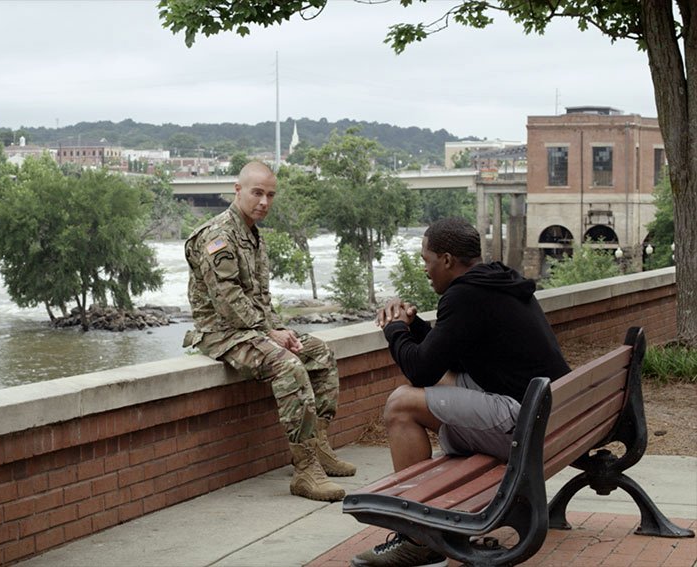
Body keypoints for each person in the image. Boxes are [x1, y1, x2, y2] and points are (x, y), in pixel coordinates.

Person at [351, 217, 571, 567]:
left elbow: (420, 369)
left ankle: (420, 537)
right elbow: (446, 351)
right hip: (558, 420)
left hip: (528, 430)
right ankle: (434, 521)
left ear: (448, 260)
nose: (425, 269)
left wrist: (393, 330)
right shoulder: (495, 280)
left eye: (427, 260)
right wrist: (415, 326)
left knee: (400, 405)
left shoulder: (465, 295)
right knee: (435, 389)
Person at [183, 161, 355, 502]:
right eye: (257, 193)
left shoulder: (253, 236)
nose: (264, 201)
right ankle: (305, 470)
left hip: (253, 330)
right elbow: (228, 301)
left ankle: (318, 447)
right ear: (238, 190)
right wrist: (269, 332)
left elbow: (260, 298)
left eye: (270, 195)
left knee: (318, 351)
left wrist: (278, 328)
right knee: (287, 365)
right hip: (221, 335)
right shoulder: (217, 237)